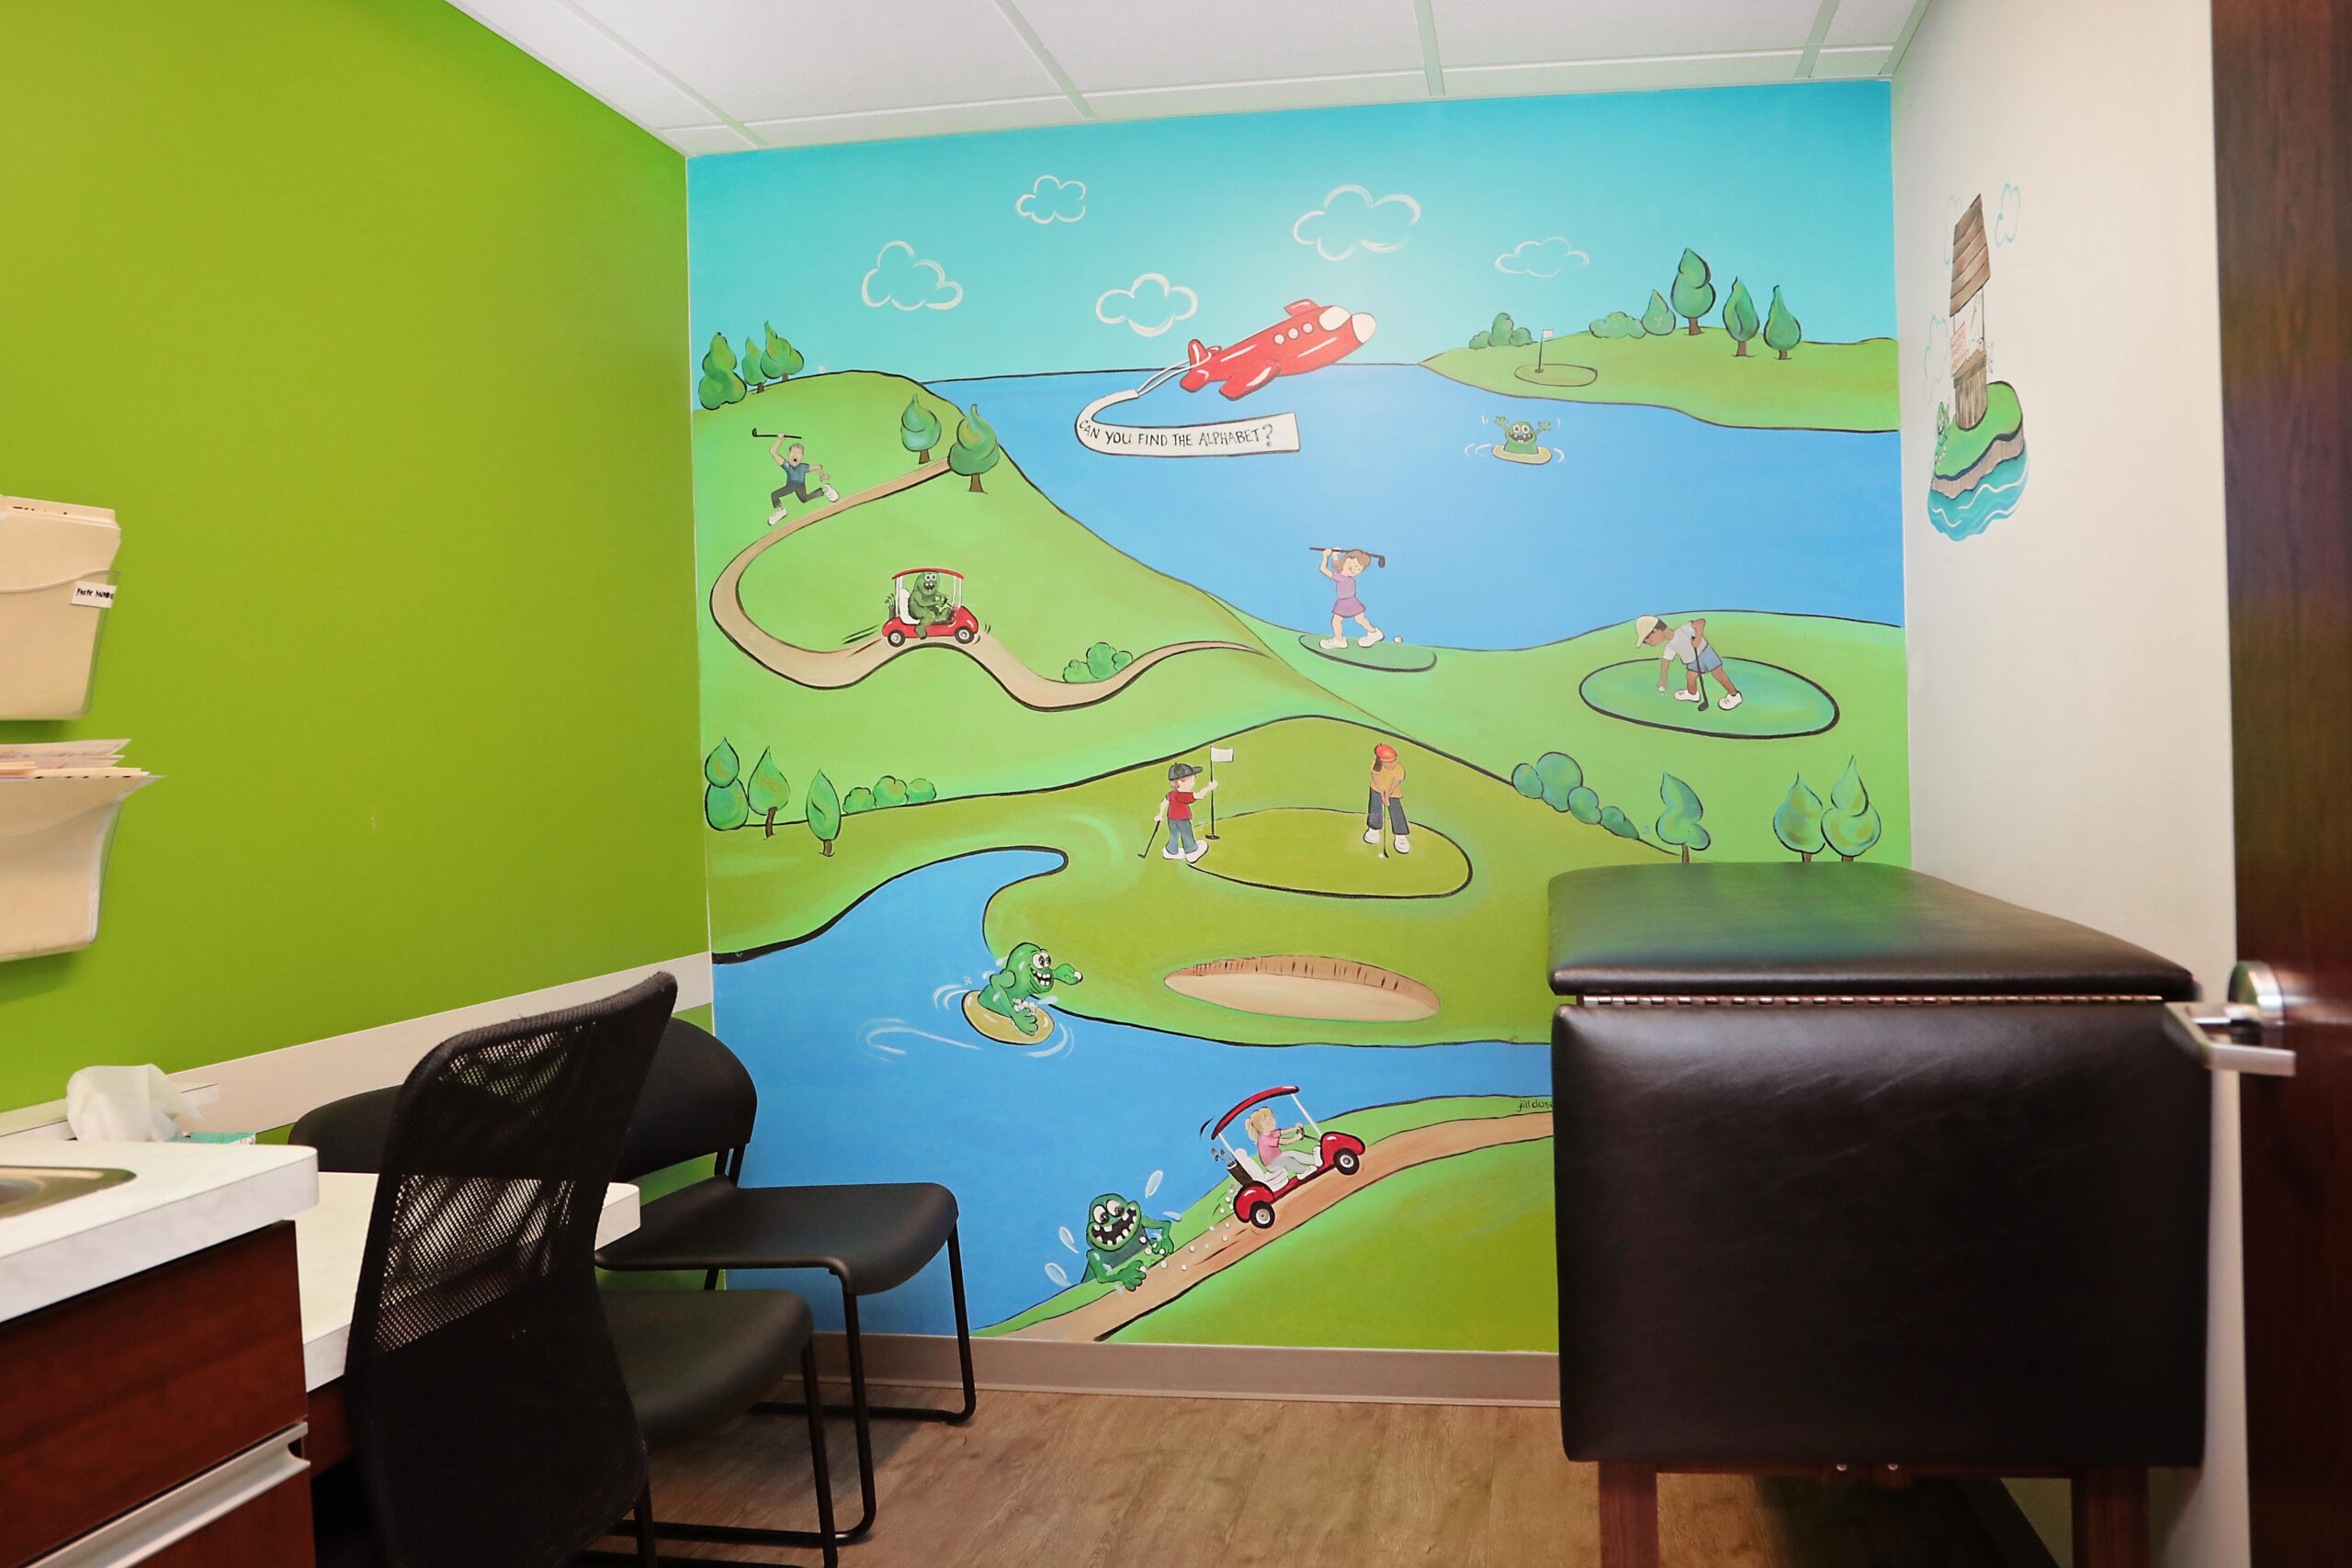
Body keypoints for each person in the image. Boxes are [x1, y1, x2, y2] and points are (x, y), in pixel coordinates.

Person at [1634, 614, 1744, 709]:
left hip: (1705, 652)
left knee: (1717, 673)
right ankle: (1693, 694)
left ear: (1655, 631)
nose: (1651, 644)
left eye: (1650, 641)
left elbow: (1700, 622)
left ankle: (1734, 696)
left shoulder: (1682, 630)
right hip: (1692, 661)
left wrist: (1698, 638)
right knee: (1690, 677)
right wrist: (1663, 680)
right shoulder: (1669, 647)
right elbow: (1665, 663)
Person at [1318, 547, 1384, 649]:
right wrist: (1335, 555)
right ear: (1348, 560)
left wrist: (1325, 556)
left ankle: (1340, 640)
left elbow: (1323, 569)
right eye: (1356, 566)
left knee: (1337, 621)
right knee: (1359, 619)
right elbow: (1339, 568)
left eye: (1359, 569)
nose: (1356, 570)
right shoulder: (1342, 574)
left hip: (1347, 602)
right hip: (1348, 601)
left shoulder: (1343, 579)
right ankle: (1374, 633)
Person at [1155, 761, 1217, 863]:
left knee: (1174, 835)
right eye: (1190, 780)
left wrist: (1160, 815)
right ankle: (1191, 852)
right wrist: (1209, 787)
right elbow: (1199, 795)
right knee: (1187, 834)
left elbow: (1164, 802)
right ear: (1180, 782)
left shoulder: (1172, 794)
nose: (1193, 783)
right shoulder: (1182, 795)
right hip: (1182, 819)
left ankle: (1171, 851)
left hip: (1171, 819)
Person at [1244, 1105, 1322, 1186]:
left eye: (1272, 1118)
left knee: (1292, 1152)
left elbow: (1283, 1132)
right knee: (1288, 1160)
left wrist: (1295, 1128)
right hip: (1272, 1164)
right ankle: (1302, 1172)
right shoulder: (1263, 1139)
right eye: (1269, 1120)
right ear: (1262, 1125)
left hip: (1278, 1157)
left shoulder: (1270, 1133)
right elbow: (1284, 1142)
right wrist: (1296, 1138)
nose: (1273, 1121)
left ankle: (1313, 1160)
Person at [768, 435, 838, 522]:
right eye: (793, 452)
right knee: (774, 495)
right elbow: (772, 451)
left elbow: (818, 467)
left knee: (804, 499)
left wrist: (822, 476)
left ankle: (826, 489)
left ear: (802, 456)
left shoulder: (803, 467)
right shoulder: (787, 465)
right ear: (789, 454)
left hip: (800, 486)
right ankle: (781, 510)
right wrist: (780, 440)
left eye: (798, 453)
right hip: (789, 486)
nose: (795, 454)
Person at [1365, 741, 1411, 854]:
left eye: (1394, 760)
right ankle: (1374, 830)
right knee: (1375, 808)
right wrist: (1382, 794)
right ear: (1381, 761)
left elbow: (1395, 783)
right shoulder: (1375, 766)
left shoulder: (1399, 769)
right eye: (1389, 762)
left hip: (1393, 792)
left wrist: (1387, 796)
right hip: (1377, 789)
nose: (1392, 763)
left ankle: (1400, 836)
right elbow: (1377, 780)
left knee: (1396, 810)